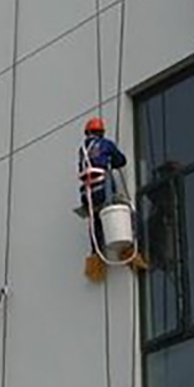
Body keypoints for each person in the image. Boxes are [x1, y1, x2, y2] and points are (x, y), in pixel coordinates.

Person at [77, 118, 146, 282]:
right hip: (103, 190)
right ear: (101, 132)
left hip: (88, 195)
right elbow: (121, 160)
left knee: (96, 222)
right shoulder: (105, 144)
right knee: (126, 212)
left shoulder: (82, 150)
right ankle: (129, 251)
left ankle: (96, 258)